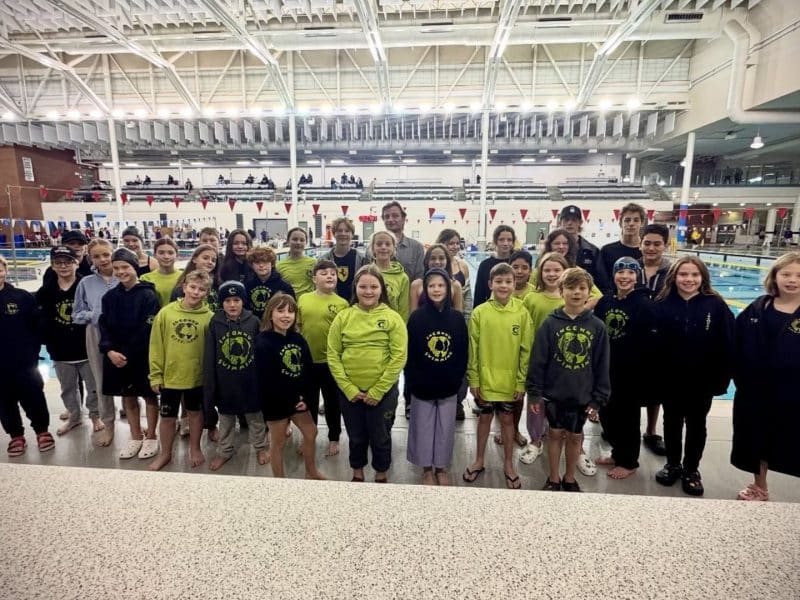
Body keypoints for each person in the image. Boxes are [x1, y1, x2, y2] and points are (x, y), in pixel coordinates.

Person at [653, 256, 735, 496]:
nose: (689, 279)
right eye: (683, 274)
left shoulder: (715, 305)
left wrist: (722, 377)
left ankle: (691, 469)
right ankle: (672, 464)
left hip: (702, 380)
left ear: (703, 278)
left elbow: (728, 343)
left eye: (694, 275)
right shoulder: (663, 303)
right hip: (671, 378)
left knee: (697, 424)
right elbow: (653, 344)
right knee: (671, 422)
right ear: (674, 277)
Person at [526, 267, 610, 492]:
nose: (576, 292)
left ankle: (570, 477)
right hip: (554, 394)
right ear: (561, 291)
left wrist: (598, 399)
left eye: (582, 288)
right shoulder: (550, 324)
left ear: (589, 292)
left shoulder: (597, 327)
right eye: (571, 288)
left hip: (582, 395)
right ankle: (554, 478)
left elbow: (602, 365)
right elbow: (538, 360)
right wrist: (534, 393)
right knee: (554, 435)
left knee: (575, 437)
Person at [327, 265, 408, 483]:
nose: (368, 291)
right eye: (363, 287)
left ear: (382, 289)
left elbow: (399, 357)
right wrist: (348, 388)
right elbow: (333, 355)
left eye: (374, 287)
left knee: (380, 436)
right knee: (355, 436)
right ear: (355, 288)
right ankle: (357, 472)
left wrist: (378, 390)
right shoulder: (344, 317)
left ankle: (381, 473)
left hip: (383, 392)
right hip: (350, 393)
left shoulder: (392, 318)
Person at [731, 252, 800, 501]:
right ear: (775, 276)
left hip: (794, 392)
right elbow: (735, 342)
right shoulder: (759, 306)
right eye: (786, 274)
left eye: (799, 276)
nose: (792, 280)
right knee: (757, 439)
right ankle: (760, 486)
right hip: (756, 390)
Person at [463, 263, 533, 490]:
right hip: (485, 380)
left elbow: (526, 350)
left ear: (515, 284)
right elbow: (473, 348)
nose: (504, 286)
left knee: (507, 421)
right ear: (490, 284)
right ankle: (479, 460)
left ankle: (509, 464)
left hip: (510, 382)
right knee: (484, 419)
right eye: (499, 281)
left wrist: (521, 381)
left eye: (508, 282)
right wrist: (474, 379)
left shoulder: (522, 312)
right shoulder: (480, 312)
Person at [593, 257, 657, 479]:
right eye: (620, 272)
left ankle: (629, 462)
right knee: (607, 414)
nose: (625, 276)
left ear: (637, 276)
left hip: (631, 373)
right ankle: (618, 452)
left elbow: (651, 344)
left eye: (630, 272)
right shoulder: (605, 302)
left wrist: (646, 374)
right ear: (614, 275)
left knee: (627, 419)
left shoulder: (645, 305)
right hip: (606, 370)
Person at [406, 268, 468, 485]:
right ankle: (426, 469)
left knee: (445, 429)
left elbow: (462, 352)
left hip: (448, 384)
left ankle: (441, 467)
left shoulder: (457, 319)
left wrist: (458, 380)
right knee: (422, 428)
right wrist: (412, 382)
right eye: (431, 285)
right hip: (422, 384)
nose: (436, 289)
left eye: (441, 285)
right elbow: (410, 353)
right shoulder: (416, 318)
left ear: (449, 289)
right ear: (425, 289)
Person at [99, 248, 161, 460]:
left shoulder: (148, 295)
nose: (120, 272)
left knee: (149, 396)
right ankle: (135, 436)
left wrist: (126, 355)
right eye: (116, 268)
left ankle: (151, 436)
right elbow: (104, 327)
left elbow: (148, 329)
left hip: (141, 356)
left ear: (135, 268)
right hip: (116, 357)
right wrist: (109, 351)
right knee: (128, 398)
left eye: (125, 267)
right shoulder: (109, 297)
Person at [255, 293, 325, 480]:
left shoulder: (298, 339)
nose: (286, 315)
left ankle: (311, 471)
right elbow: (268, 380)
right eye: (280, 311)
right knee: (278, 442)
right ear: (270, 314)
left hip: (298, 401)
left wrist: (306, 399)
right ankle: (280, 480)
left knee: (311, 432)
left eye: (291, 311)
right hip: (275, 402)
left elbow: (308, 371)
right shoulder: (263, 342)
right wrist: (291, 400)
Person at [148, 270, 213, 471]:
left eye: (201, 289)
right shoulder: (166, 313)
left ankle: (195, 448)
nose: (196, 292)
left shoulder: (209, 318)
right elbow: (156, 345)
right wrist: (155, 375)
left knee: (195, 414)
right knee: (167, 417)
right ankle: (165, 453)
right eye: (192, 287)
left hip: (196, 378)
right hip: (170, 377)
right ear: (184, 287)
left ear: (207, 293)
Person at [36, 246, 102, 436]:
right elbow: (40, 318)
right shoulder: (46, 291)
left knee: (93, 387)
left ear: (77, 263)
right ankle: (75, 416)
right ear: (52, 266)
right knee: (67, 389)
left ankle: (95, 416)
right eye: (58, 263)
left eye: (68, 262)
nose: (63, 266)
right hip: (60, 349)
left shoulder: (87, 286)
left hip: (86, 347)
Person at [204, 280, 269, 471]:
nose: (232, 305)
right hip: (226, 382)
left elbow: (261, 352)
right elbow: (210, 354)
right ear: (221, 303)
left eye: (236, 300)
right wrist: (212, 383)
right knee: (226, 420)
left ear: (243, 301)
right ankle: (224, 451)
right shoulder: (215, 323)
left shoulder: (253, 322)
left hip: (250, 381)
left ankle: (260, 447)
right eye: (227, 301)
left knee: (255, 418)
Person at [519, 252, 570, 465]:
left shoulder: (570, 298)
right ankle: (535, 440)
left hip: (563, 361)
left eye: (557, 270)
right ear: (540, 273)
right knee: (536, 402)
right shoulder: (531, 298)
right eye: (547, 270)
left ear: (565, 272)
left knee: (560, 401)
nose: (551, 274)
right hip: (537, 359)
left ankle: (560, 435)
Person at [0, 256, 54, 457]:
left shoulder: (21, 297)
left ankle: (42, 430)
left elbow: (37, 326)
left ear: (5, 271)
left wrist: (32, 352)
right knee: (4, 402)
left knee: (34, 397)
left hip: (24, 362)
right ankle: (15, 435)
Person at [297, 260, 349, 457]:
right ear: (314, 279)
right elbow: (297, 327)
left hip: (330, 363)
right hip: (307, 362)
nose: (329, 276)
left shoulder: (342, 304)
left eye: (333, 274)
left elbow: (344, 334)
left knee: (332, 403)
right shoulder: (303, 299)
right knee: (308, 403)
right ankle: (308, 437)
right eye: (324, 273)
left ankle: (334, 437)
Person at [73, 239, 119, 446]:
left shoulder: (124, 275)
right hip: (96, 333)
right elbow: (76, 314)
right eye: (96, 256)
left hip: (124, 333)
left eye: (106, 254)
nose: (103, 259)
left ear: (112, 253)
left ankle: (134, 422)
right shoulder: (86, 283)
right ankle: (109, 425)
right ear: (90, 259)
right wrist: (95, 315)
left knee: (131, 380)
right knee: (101, 382)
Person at [637, 223, 671, 455]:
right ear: (640, 245)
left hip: (661, 336)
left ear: (665, 245)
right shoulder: (631, 267)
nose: (651, 248)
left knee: (656, 387)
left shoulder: (673, 272)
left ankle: (650, 431)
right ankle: (624, 428)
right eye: (647, 243)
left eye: (657, 244)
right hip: (635, 334)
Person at [437, 229, 472, 421]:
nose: (455, 246)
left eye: (457, 243)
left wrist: (465, 322)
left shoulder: (463, 266)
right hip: (437, 323)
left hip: (457, 321)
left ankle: (458, 400)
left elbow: (467, 297)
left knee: (459, 362)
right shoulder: (434, 262)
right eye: (451, 243)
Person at [597, 203, 645, 292]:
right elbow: (601, 281)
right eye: (627, 220)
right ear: (620, 223)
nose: (631, 223)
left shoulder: (646, 252)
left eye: (636, 220)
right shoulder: (607, 251)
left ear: (642, 223)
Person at [320, 217, 367, 300]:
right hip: (331, 303)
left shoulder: (362, 259)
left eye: (347, 231)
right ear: (334, 233)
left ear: (352, 234)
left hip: (356, 303)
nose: (343, 233)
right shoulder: (324, 259)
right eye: (339, 230)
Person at [409, 244, 464, 313]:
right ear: (427, 261)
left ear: (447, 261)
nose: (437, 262)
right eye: (433, 258)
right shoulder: (416, 285)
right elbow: (413, 315)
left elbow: (459, 315)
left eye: (441, 258)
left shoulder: (455, 285)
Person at [369, 230, 410, 321]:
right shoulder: (366, 274)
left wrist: (401, 327)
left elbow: (403, 310)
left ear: (393, 248)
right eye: (379, 244)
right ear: (373, 248)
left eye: (388, 244)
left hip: (392, 324)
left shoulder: (402, 277)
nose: (383, 247)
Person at [379, 201, 425, 282]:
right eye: (387, 216)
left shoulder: (417, 248)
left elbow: (419, 279)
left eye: (395, 216)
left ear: (403, 219)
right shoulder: (373, 248)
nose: (390, 219)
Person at [245, 246, 295, 319]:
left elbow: (292, 309)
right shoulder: (247, 286)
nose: (261, 265)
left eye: (265, 262)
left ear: (272, 263)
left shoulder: (285, 287)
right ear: (252, 265)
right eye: (257, 262)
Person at [473, 225, 515, 308]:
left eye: (509, 240)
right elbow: (479, 294)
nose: (505, 243)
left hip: (514, 309)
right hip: (491, 309)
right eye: (501, 240)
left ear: (513, 242)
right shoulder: (485, 265)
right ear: (495, 241)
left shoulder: (516, 264)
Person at [558, 205, 601, 283]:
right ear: (560, 222)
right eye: (566, 220)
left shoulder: (592, 251)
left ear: (580, 223)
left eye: (574, 220)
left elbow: (599, 280)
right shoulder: (550, 249)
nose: (569, 223)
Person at [141, 237, 182, 307]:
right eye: (161, 253)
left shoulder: (184, 277)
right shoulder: (145, 278)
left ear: (177, 255)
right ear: (154, 255)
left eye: (170, 253)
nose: (166, 256)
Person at [276, 227, 316, 297]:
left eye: (302, 240)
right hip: (289, 302)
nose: (298, 242)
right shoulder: (279, 266)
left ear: (306, 243)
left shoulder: (314, 263)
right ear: (288, 241)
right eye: (295, 239)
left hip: (309, 302)